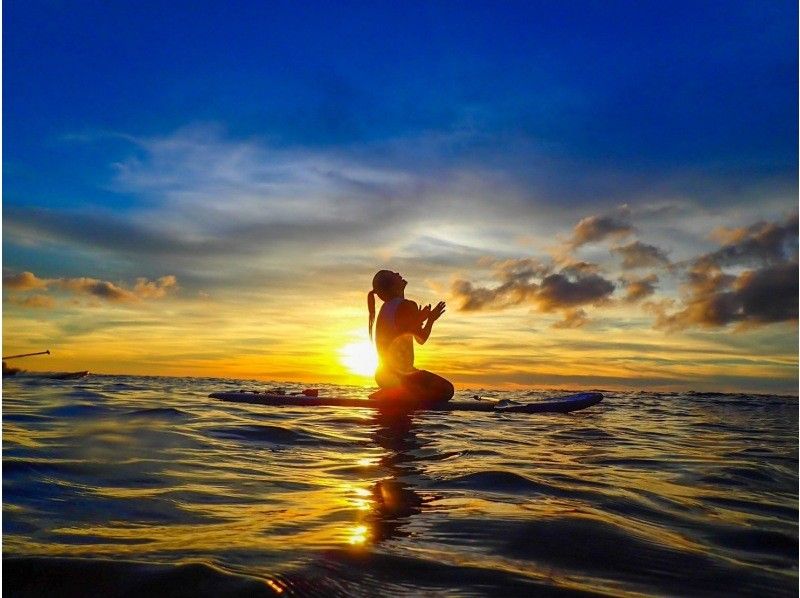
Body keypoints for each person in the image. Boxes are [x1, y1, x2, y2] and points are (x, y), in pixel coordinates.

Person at [367, 270, 454, 405]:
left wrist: (423, 319)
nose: (397, 273)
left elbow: (404, 332)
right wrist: (429, 319)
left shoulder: (386, 307)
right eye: (393, 275)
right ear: (392, 286)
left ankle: (392, 392)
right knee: (447, 390)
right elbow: (421, 339)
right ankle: (396, 394)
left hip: (383, 375)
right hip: (401, 377)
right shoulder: (406, 305)